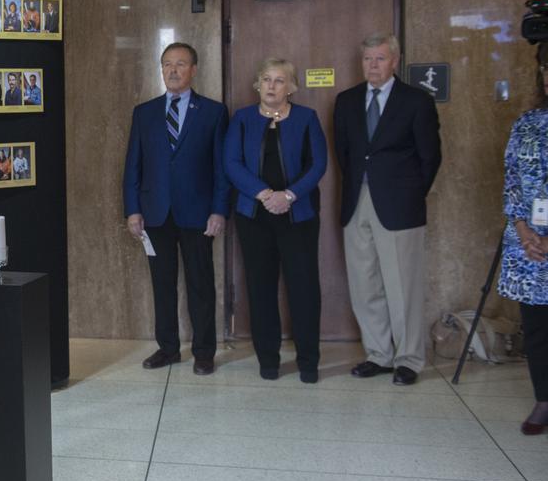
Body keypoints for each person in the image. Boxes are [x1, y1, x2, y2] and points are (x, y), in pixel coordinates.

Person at [334, 33, 441, 386]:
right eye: (367, 59)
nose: (373, 66)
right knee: (364, 284)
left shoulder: (416, 101)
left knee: (402, 286)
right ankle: (378, 354)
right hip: (356, 202)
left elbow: (430, 157)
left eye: (380, 59)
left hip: (400, 206)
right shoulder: (346, 101)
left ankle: (408, 358)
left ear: (394, 61)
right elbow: (345, 154)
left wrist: (410, 194)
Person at [122, 42, 228, 375]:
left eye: (180, 64)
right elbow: (132, 167)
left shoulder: (213, 112)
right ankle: (167, 348)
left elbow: (221, 168)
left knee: (200, 284)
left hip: (198, 214)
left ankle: (204, 352)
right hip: (155, 213)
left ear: (193, 69)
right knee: (162, 284)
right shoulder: (145, 112)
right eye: (167, 64)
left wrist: (219, 210)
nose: (173, 70)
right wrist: (132, 210)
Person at [223, 59, 327, 383]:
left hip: (299, 216)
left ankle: (308, 362)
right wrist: (265, 194)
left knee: (304, 289)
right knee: (260, 288)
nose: (271, 86)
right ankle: (268, 359)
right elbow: (231, 163)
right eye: (266, 79)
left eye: (279, 80)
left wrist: (289, 196)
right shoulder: (241, 119)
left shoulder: (307, 119)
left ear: (291, 87)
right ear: (257, 84)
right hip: (254, 216)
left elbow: (318, 164)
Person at [497, 44, 548, 434]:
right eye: (546, 69)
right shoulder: (527, 123)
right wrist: (523, 230)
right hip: (530, 244)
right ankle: (543, 400)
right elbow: (512, 180)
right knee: (536, 329)